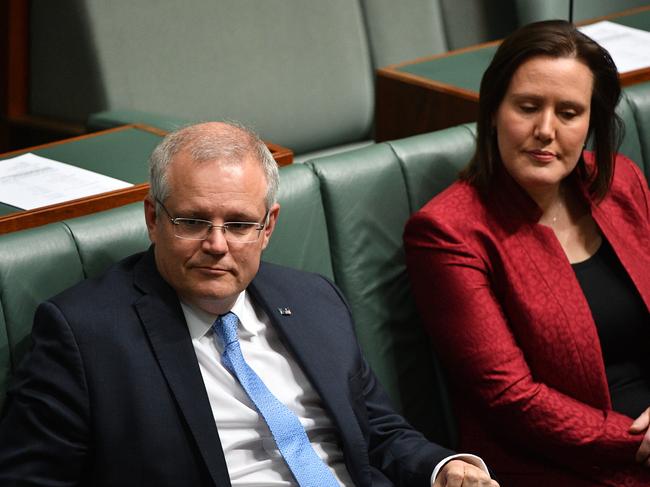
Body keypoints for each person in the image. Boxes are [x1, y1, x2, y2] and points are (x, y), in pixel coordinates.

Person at [0, 122, 497, 487]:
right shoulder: (84, 333)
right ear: (153, 218)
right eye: (192, 222)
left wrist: (443, 468)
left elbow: (377, 431)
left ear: (269, 227)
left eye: (238, 224)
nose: (217, 244)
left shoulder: (314, 299)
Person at [404, 19, 650, 487]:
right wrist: (634, 443)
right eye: (528, 106)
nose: (545, 130)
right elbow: (509, 398)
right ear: (494, 110)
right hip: (561, 464)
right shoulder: (447, 232)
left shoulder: (621, 184)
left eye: (569, 112)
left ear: (590, 123)